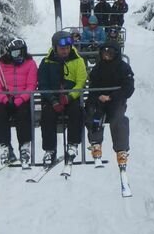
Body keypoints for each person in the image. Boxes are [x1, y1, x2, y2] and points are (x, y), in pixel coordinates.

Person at [37, 31, 87, 165]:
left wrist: (70, 97)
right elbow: (42, 84)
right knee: (47, 115)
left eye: (67, 48)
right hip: (52, 98)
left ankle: (72, 145)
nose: (65, 51)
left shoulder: (78, 60)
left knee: (76, 111)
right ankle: (50, 149)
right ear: (55, 48)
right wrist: (52, 100)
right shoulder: (47, 62)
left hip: (70, 97)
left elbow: (81, 82)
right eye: (61, 48)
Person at [84, 39, 135, 169]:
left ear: (116, 53)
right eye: (104, 53)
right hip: (99, 100)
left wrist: (112, 96)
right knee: (93, 114)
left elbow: (128, 89)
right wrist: (98, 96)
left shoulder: (123, 68)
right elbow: (93, 87)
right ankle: (95, 142)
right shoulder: (98, 68)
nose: (107, 56)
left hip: (116, 100)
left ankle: (121, 150)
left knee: (118, 119)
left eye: (110, 53)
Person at [0, 38, 37, 167]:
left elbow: (31, 85)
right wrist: (5, 99)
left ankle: (24, 146)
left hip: (22, 100)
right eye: (16, 53)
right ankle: (5, 146)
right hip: (7, 99)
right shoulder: (1, 65)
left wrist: (20, 99)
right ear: (9, 53)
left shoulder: (30, 64)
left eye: (22, 52)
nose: (19, 56)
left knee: (23, 114)